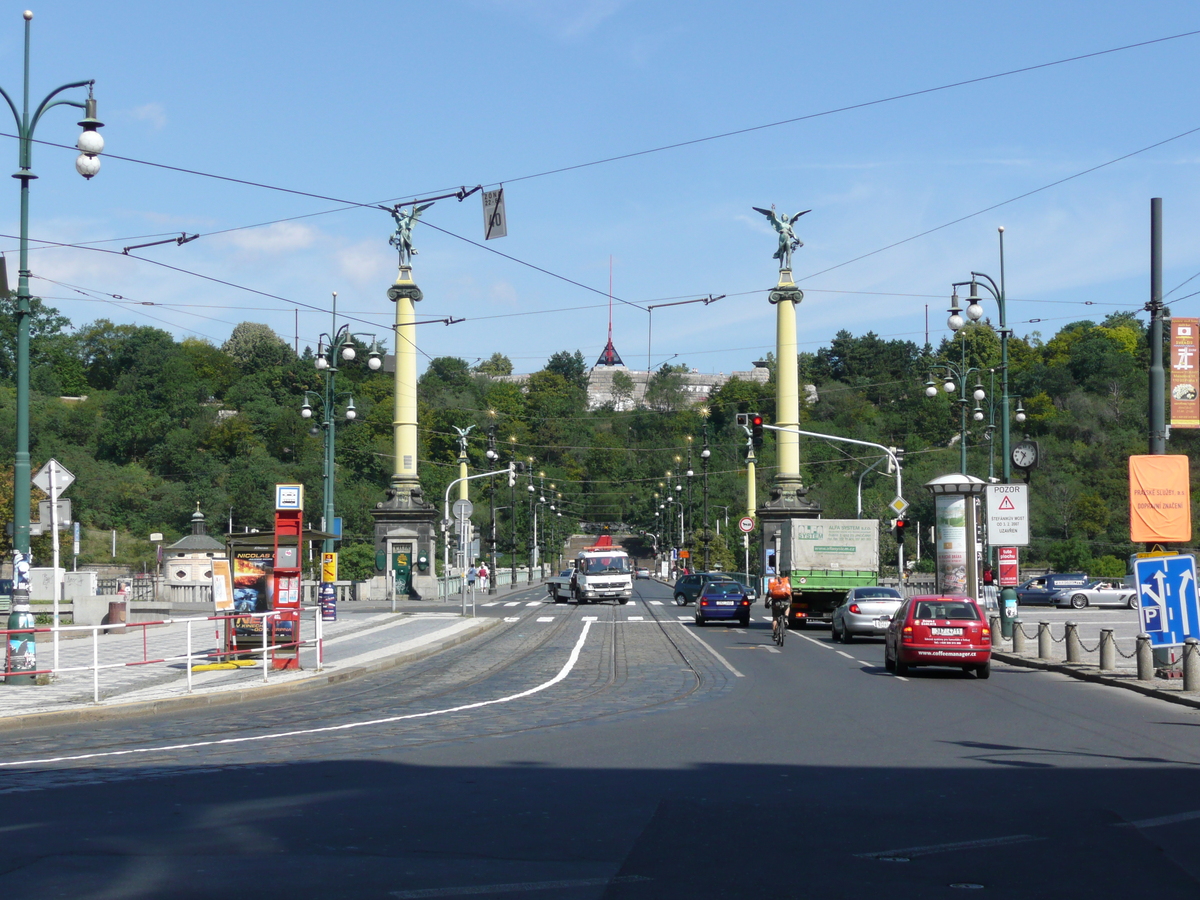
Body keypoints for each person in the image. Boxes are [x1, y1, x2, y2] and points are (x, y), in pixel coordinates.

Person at [766, 572, 792, 639]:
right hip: (785, 602)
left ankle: (775, 634)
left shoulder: (773, 585)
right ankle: (786, 618)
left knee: (775, 618)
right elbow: (789, 595)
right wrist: (790, 602)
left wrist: (766, 604)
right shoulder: (785, 584)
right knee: (787, 606)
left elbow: (767, 597)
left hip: (776, 603)